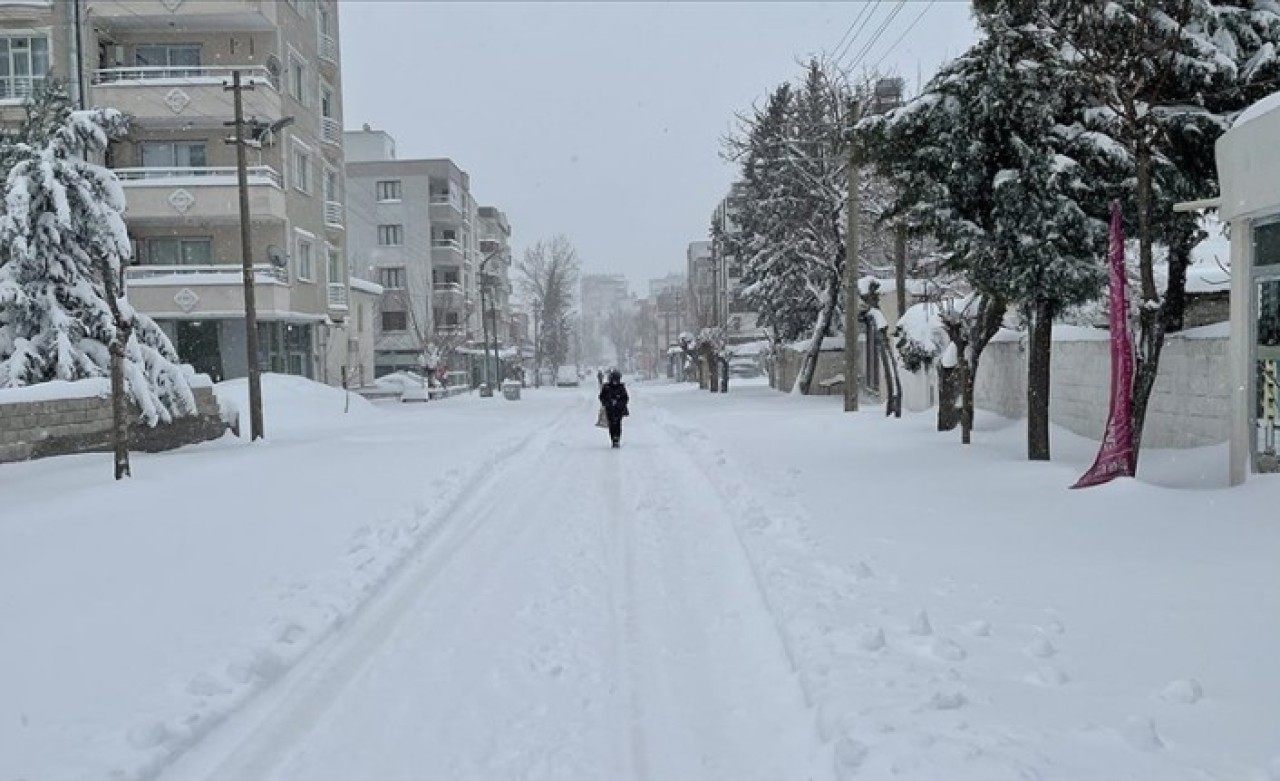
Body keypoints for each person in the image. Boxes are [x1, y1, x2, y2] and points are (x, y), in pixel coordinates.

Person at [598, 369, 629, 448]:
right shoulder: (606, 387)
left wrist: (619, 403)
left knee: (618, 423)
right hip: (609, 409)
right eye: (613, 379)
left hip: (619, 410)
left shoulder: (621, 387)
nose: (615, 381)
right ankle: (613, 439)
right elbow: (601, 397)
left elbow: (625, 398)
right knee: (611, 424)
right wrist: (608, 403)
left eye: (617, 379)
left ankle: (617, 438)